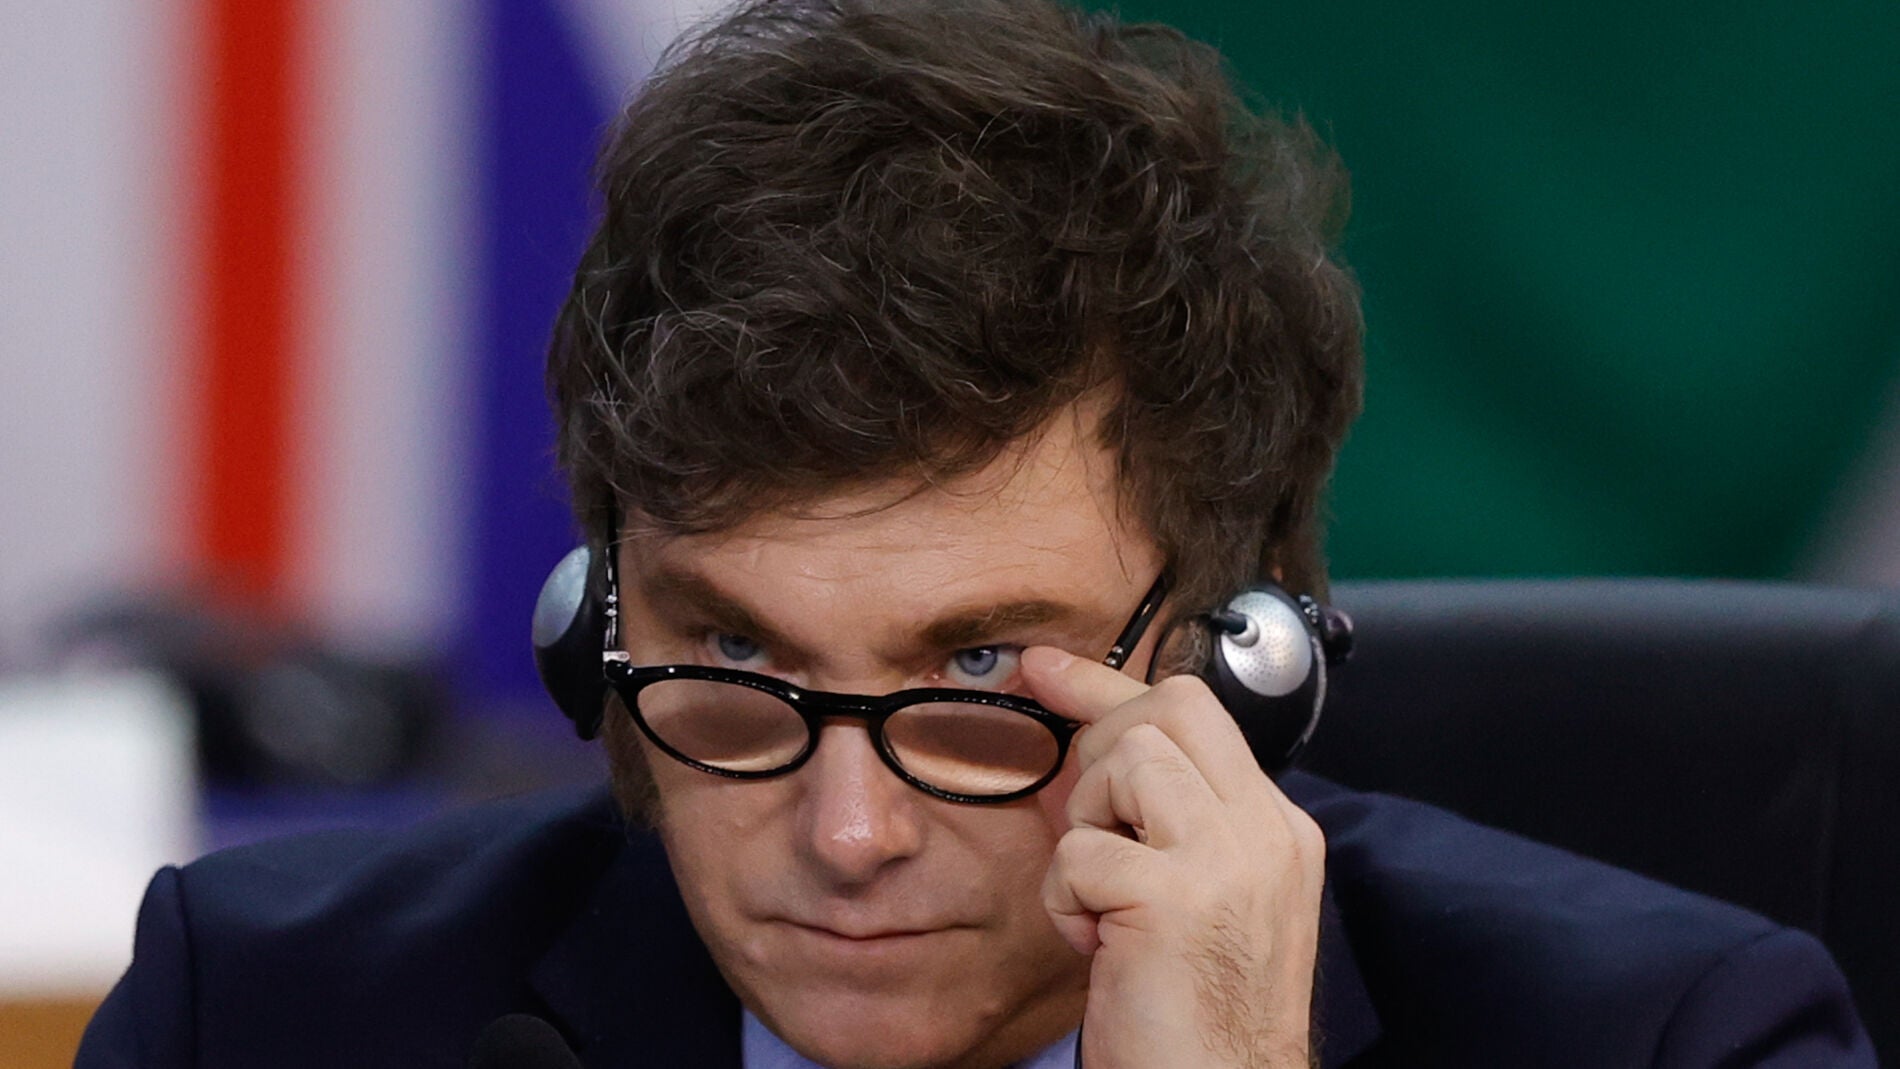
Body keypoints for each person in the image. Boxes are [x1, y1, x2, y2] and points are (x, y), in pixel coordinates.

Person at [79, 1, 1874, 1066]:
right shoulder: (263, 1012)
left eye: (979, 666)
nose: (847, 832)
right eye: (733, 650)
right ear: (588, 631)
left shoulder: (1682, 1040)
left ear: (1239, 667)